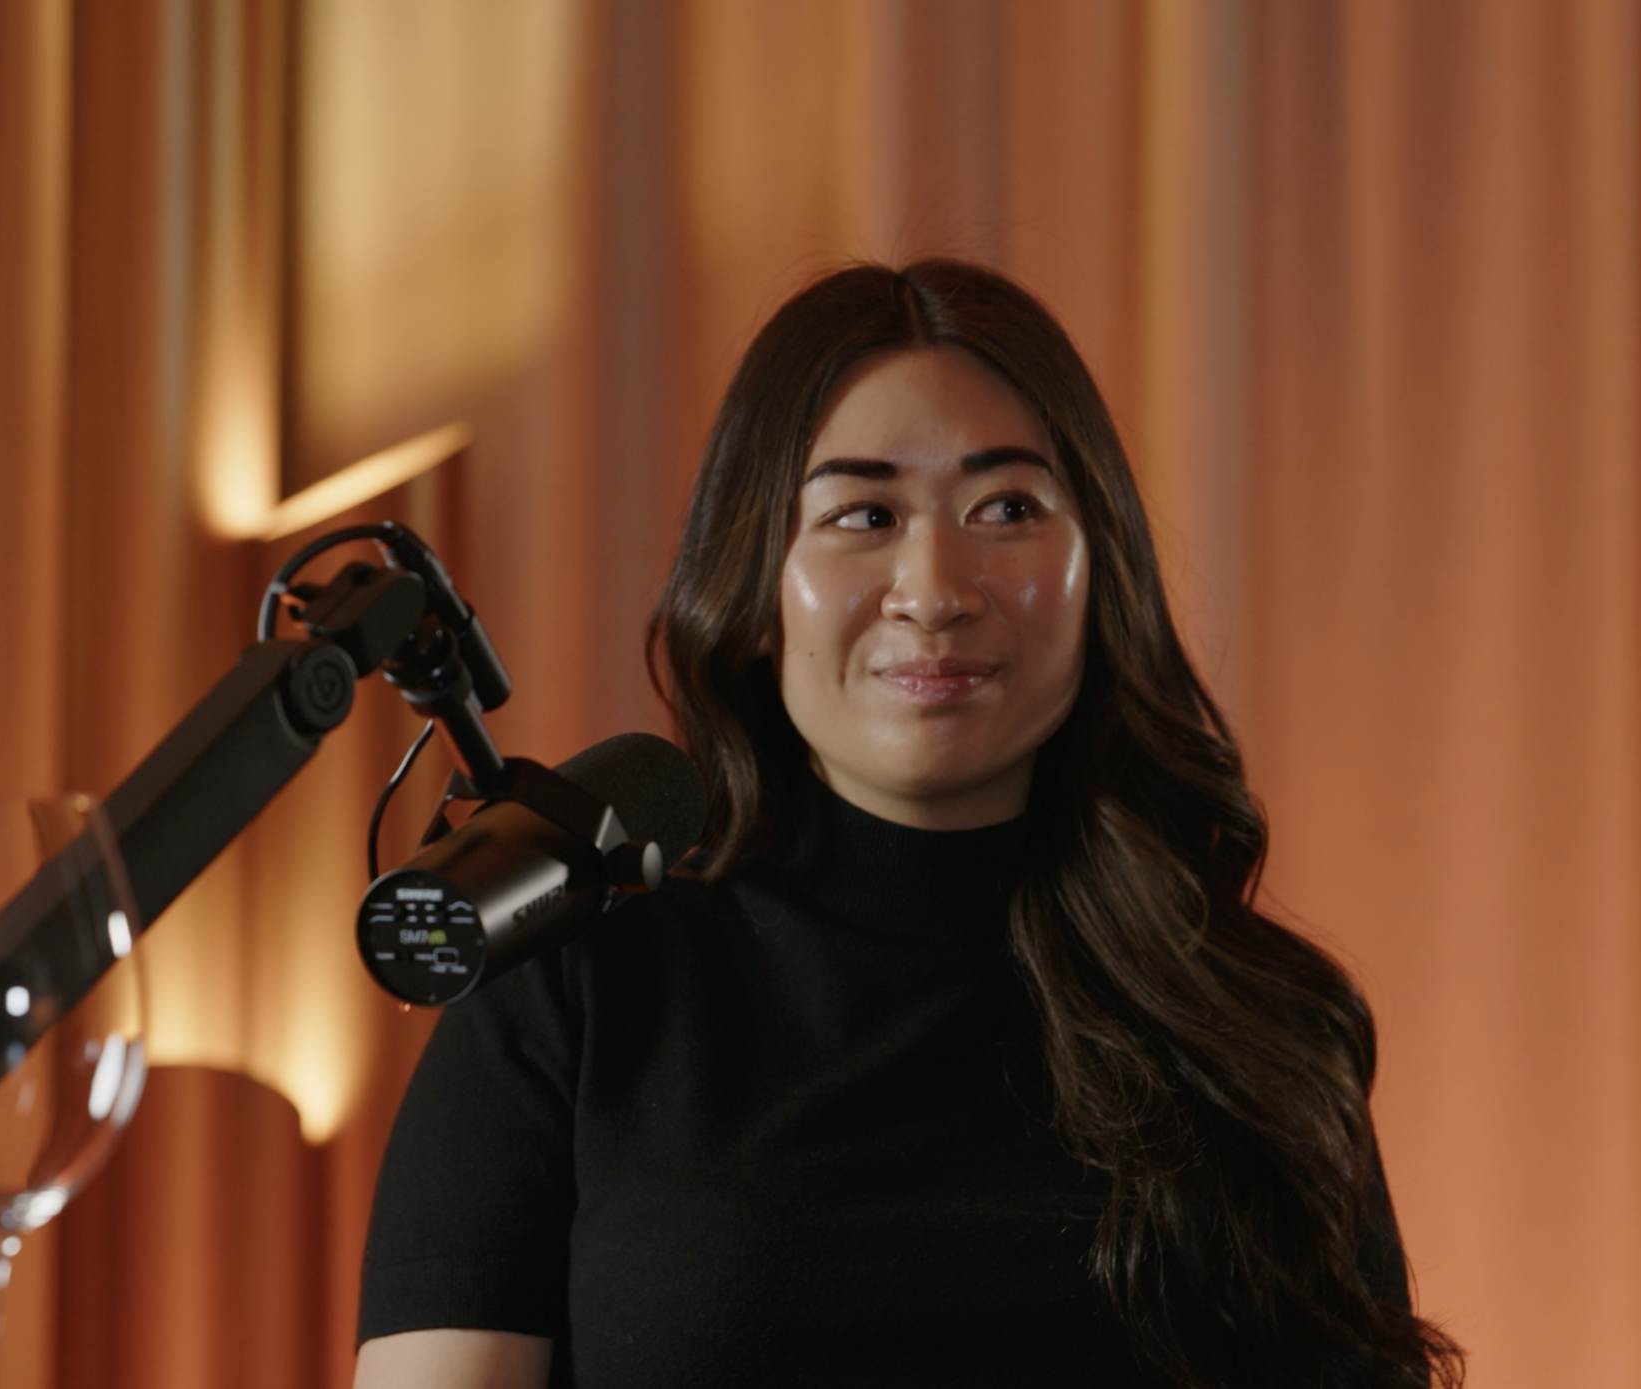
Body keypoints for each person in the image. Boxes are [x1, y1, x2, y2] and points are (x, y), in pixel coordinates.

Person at [352, 260, 1463, 1388]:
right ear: (756, 583)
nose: (933, 588)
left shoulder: (1259, 1023)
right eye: (862, 514)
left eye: (1006, 509)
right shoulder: (573, 994)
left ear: (1099, 572)